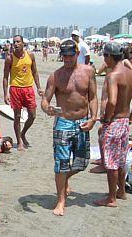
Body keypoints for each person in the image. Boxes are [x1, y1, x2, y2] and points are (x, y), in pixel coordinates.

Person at [41, 40, 98, 216]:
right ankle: (60, 201)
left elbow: (93, 97)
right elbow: (45, 100)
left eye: (69, 55)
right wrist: (47, 109)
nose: (66, 59)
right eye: (63, 56)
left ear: (76, 54)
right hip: (63, 122)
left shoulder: (88, 71)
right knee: (61, 164)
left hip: (82, 121)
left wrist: (93, 119)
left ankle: (64, 180)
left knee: (82, 163)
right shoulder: (55, 76)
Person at [94, 42, 132, 208]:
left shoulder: (113, 75)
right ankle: (121, 191)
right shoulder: (129, 73)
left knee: (111, 163)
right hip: (124, 122)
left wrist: (107, 118)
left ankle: (111, 198)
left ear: (108, 56)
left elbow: (112, 101)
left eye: (104, 56)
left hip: (114, 122)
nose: (104, 59)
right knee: (120, 160)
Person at [3, 35, 43, 151]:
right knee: (17, 117)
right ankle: (19, 142)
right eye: (14, 42)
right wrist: (5, 94)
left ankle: (23, 133)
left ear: (23, 43)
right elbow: (5, 77)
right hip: (15, 89)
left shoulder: (30, 55)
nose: (16, 44)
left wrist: (39, 87)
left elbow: (35, 72)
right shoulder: (9, 58)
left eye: (18, 42)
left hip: (28, 88)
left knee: (32, 115)